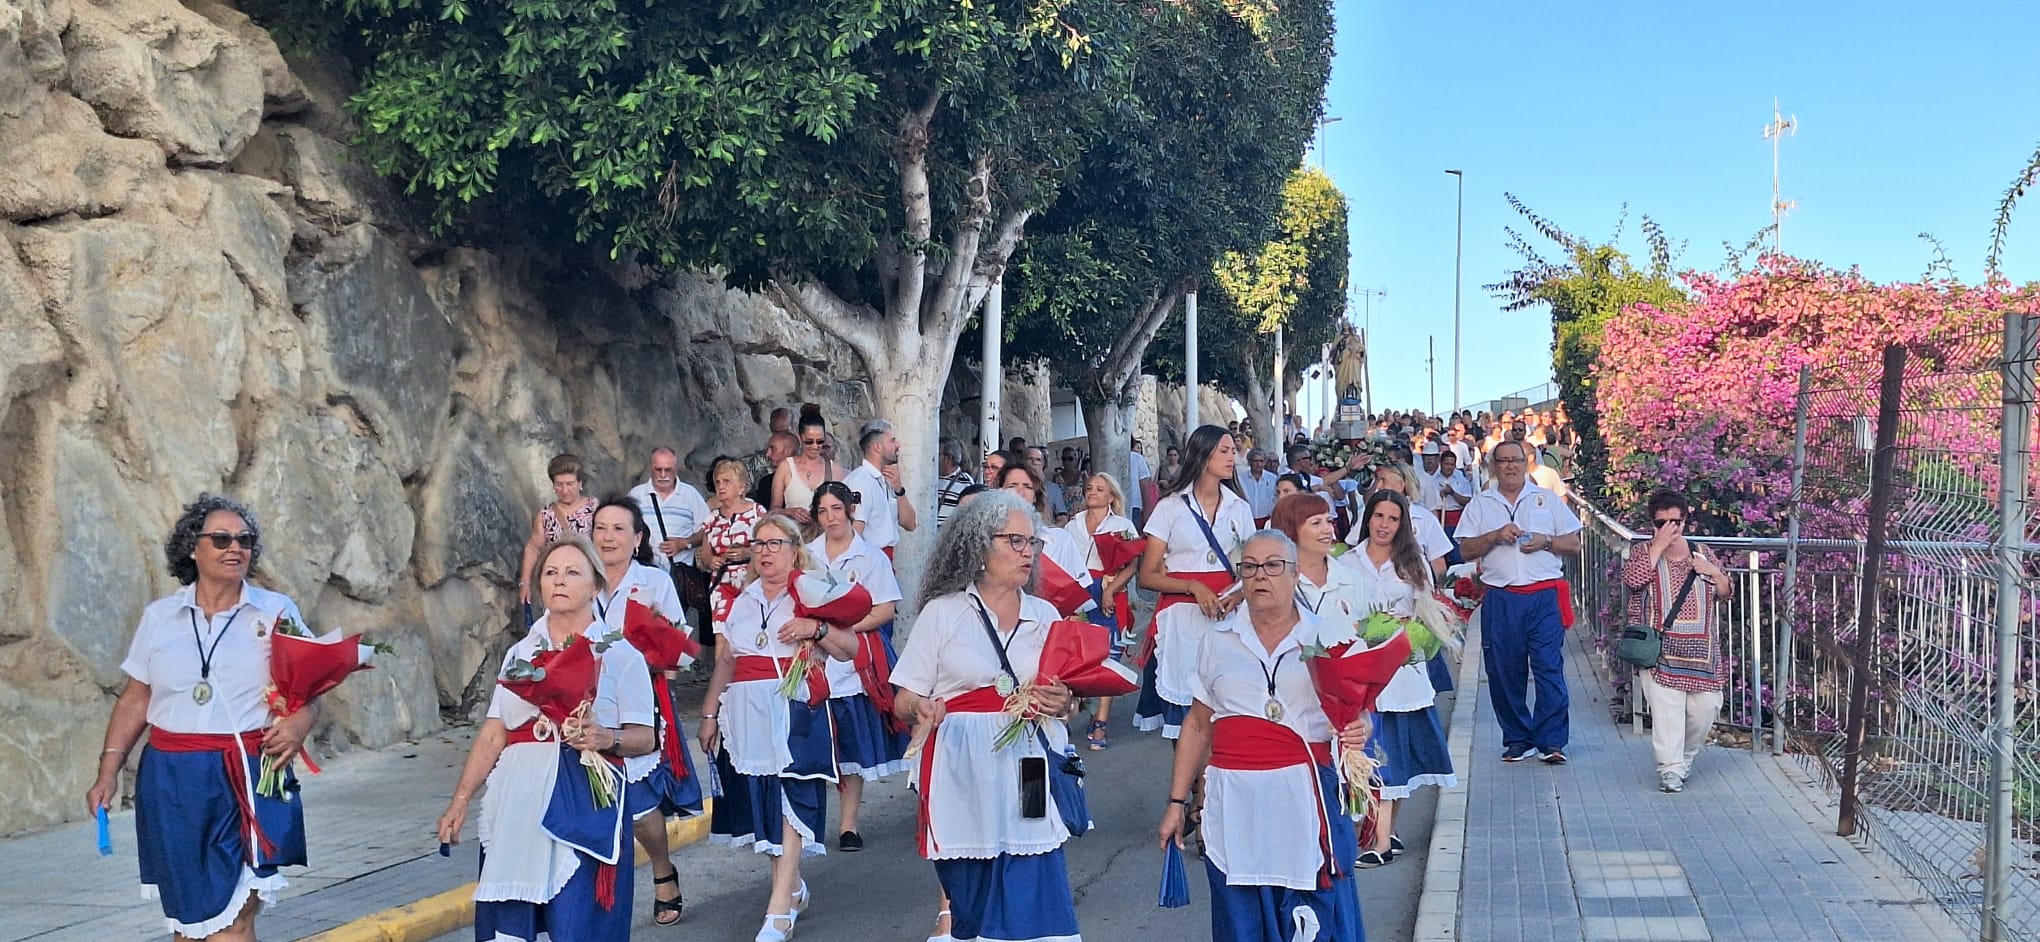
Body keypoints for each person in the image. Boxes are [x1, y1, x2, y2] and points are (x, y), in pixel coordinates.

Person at [88, 494, 314, 942]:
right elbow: (136, 698)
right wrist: (107, 772)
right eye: (222, 539)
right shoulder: (160, 617)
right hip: (172, 780)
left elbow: (312, 685)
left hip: (248, 772)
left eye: (244, 540)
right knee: (190, 922)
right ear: (192, 548)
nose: (236, 548)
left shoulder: (275, 612)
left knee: (235, 919)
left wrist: (300, 723)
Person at [436, 537, 658, 942]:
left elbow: (645, 738)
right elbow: (494, 733)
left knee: (577, 922)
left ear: (595, 585)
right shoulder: (519, 653)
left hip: (583, 800)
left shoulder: (620, 654)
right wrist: (461, 800)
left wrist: (605, 737)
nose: (559, 580)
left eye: (572, 572)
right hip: (517, 799)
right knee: (509, 926)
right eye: (551, 572)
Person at [1158, 531, 1372, 942]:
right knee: (1241, 916)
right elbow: (1198, 725)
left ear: (1295, 574)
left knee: (1311, 915)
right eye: (1250, 567)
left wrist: (1362, 725)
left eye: (1273, 566)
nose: (1261, 576)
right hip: (1235, 804)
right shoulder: (1217, 640)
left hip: (1303, 800)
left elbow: (1359, 710)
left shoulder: (1329, 637)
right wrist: (1176, 803)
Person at [891, 493, 1084, 942]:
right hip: (961, 774)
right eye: (1015, 540)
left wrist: (1065, 703)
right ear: (979, 547)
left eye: (1032, 542)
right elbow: (904, 697)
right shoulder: (943, 613)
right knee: (972, 897)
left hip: (1030, 767)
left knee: (1034, 881)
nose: (1027, 552)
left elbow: (1071, 703)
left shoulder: (1045, 616)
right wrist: (920, 708)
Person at [700, 514, 859, 941]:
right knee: (768, 802)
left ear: (794, 550)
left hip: (795, 711)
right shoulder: (743, 599)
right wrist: (710, 713)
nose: (765, 552)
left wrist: (815, 628)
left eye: (775, 543)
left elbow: (849, 649)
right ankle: (790, 887)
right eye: (759, 544)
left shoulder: (811, 592)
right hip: (747, 714)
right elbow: (728, 661)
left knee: (792, 798)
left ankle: (777, 911)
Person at [588, 497, 702, 925]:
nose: (608, 537)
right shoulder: (577, 578)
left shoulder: (654, 582)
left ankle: (661, 867)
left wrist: (652, 650)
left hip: (639, 702)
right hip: (586, 705)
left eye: (619, 529)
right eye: (601, 528)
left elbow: (682, 651)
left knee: (638, 807)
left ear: (637, 539)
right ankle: (597, 889)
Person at [1346, 490, 1457, 864]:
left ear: (1402, 524)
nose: (1384, 525)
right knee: (1374, 755)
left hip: (1403, 671)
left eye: (1393, 519)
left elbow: (1428, 614)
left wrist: (1407, 631)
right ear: (1368, 518)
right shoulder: (1347, 562)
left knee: (1397, 756)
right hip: (1361, 668)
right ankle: (1380, 836)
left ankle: (1383, 838)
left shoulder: (1414, 562)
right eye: (1379, 516)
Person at [1456, 440, 1583, 764]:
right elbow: (1466, 550)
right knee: (1503, 672)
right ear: (1493, 466)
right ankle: (1517, 739)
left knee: (1548, 667)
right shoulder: (1481, 504)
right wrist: (1494, 536)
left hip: (1543, 597)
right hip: (1502, 598)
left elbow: (1574, 543)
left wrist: (1546, 541)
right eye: (1503, 461)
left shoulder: (1546, 499)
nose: (1510, 466)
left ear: (1526, 463)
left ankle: (1551, 741)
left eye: (1516, 460)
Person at [804, 482, 908, 849]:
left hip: (853, 659)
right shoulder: (806, 555)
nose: (830, 517)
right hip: (813, 656)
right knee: (813, 743)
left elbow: (885, 608)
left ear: (849, 510)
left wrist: (843, 628)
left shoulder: (871, 558)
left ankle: (848, 825)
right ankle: (807, 824)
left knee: (849, 747)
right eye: (823, 511)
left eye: (836, 509)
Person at [1136, 425, 1254, 739]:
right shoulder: (1170, 507)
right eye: (1224, 451)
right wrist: (1192, 586)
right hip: (1181, 622)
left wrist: (1239, 594)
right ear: (1202, 455)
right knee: (1185, 718)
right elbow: (1147, 575)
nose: (1231, 458)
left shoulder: (1239, 508)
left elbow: (1251, 568)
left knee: (1225, 713)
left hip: (1227, 619)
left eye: (1233, 451)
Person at [1624, 490, 1733, 792]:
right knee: (1667, 712)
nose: (1670, 528)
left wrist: (1713, 572)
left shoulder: (1702, 552)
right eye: (1662, 523)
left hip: (1701, 650)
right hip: (1660, 650)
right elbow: (1633, 580)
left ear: (1685, 521)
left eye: (1676, 522)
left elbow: (1726, 591)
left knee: (1706, 709)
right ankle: (1670, 769)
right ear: (1653, 523)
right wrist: (1658, 545)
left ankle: (1683, 759)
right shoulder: (1644, 552)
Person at [1065, 471, 1140, 749]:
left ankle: (1100, 723)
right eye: (1089, 488)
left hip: (1110, 590)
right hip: (1080, 592)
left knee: (1108, 657)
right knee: (1078, 657)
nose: (1093, 492)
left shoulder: (1122, 525)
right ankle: (1073, 711)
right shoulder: (1072, 525)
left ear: (1111, 496)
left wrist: (1109, 591)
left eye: (1099, 489)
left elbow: (1132, 565)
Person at [996, 461, 1098, 614]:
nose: (1020, 492)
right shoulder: (989, 540)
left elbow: (1081, 594)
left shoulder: (1059, 540)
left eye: (1027, 486)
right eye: (1012, 486)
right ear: (999, 492)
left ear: (1035, 496)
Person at [520, 453, 597, 610]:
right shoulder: (546, 515)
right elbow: (533, 548)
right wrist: (525, 583)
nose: (565, 490)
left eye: (570, 484)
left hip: (589, 583)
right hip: (557, 585)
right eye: (559, 484)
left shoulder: (594, 509)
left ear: (580, 483)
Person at [701, 457, 768, 631]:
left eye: (727, 482)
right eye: (718, 482)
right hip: (722, 583)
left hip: (752, 581)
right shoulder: (712, 518)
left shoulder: (757, 512)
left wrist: (748, 552)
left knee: (750, 632)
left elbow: (770, 544)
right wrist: (711, 561)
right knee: (722, 634)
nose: (721, 487)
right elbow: (705, 553)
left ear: (741, 487)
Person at [844, 420, 919, 557]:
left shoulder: (888, 480)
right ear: (877, 447)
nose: (898, 445)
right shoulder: (861, 482)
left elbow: (911, 524)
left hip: (885, 558)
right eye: (892, 440)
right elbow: (854, 533)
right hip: (869, 559)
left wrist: (899, 490)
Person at [773, 405, 842, 524]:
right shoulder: (785, 467)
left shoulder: (835, 470)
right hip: (793, 532)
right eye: (809, 442)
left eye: (820, 442)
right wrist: (790, 512)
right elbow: (772, 511)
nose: (815, 446)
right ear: (800, 438)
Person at [935, 437, 976, 527]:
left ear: (948, 458)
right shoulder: (929, 477)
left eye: (937, 454)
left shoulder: (966, 482)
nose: (933, 457)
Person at [750, 431, 799, 508]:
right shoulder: (765, 483)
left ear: (787, 451)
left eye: (773, 449)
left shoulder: (806, 477)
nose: (768, 454)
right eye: (768, 449)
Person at [1024, 445, 1069, 521]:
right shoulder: (1016, 487)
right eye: (1030, 459)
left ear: (1043, 463)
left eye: (1038, 460)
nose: (1034, 462)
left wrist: (1050, 528)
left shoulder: (1054, 489)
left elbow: (1062, 518)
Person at [1240, 449, 1279, 527]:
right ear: (1249, 462)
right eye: (1255, 461)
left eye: (1261, 461)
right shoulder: (1241, 478)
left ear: (1265, 462)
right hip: (1247, 519)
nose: (1258, 464)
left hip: (1267, 519)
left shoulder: (1273, 479)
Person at [1129, 439, 1157, 523]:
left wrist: (1147, 512)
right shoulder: (1137, 458)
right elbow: (1144, 484)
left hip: (1134, 504)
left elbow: (1144, 484)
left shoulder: (1137, 458)